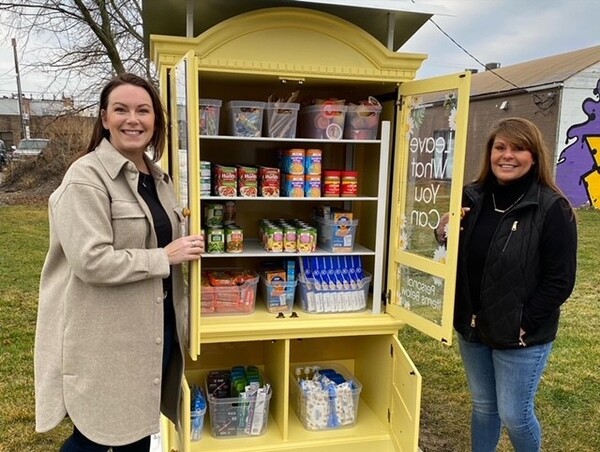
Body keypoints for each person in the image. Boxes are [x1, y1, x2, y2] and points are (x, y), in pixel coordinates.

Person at [34, 73, 205, 451]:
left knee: (136, 434)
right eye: (121, 110)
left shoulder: (157, 178)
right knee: (103, 438)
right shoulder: (86, 177)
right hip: (107, 341)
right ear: (104, 117)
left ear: (156, 121)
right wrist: (165, 256)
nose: (133, 119)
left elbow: (160, 235)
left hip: (154, 332)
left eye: (143, 110)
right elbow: (90, 261)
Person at [438, 117, 577, 452]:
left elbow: (561, 280)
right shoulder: (472, 197)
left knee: (514, 414)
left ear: (534, 156)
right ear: (490, 153)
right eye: (500, 147)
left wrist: (523, 323)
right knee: (484, 406)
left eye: (518, 148)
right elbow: (459, 254)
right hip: (473, 326)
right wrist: (443, 232)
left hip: (521, 335)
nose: (507, 156)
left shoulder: (551, 208)